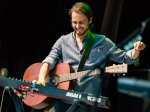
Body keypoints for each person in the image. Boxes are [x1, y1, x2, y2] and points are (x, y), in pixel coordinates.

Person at [35, 2, 146, 112]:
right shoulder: (63, 41)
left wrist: (136, 50)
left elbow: (126, 58)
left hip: (85, 102)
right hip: (61, 99)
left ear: (90, 20)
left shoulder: (101, 42)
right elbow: (49, 60)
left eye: (81, 22)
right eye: (74, 22)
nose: (77, 26)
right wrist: (41, 79)